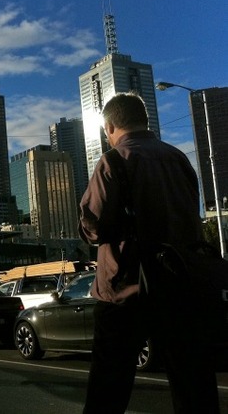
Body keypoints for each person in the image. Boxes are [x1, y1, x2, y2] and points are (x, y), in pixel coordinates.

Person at [79, 92, 220, 413]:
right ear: (144, 120)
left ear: (110, 126)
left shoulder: (114, 160)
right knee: (193, 382)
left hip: (126, 288)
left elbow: (94, 227)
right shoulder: (179, 159)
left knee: (109, 386)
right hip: (181, 282)